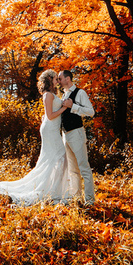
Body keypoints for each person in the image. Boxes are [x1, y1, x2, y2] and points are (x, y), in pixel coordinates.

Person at [0, 69, 77, 205]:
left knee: (54, 158)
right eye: (55, 78)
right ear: (49, 79)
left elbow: (48, 114)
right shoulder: (47, 95)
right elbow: (51, 116)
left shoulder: (52, 94)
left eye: (58, 79)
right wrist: (65, 107)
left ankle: (54, 189)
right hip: (50, 129)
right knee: (59, 157)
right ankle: (50, 190)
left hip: (52, 128)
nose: (57, 81)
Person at [58, 69, 96, 206]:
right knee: (73, 170)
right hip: (65, 135)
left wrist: (73, 106)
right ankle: (77, 198)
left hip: (77, 134)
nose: (58, 81)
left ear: (67, 79)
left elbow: (91, 112)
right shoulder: (63, 95)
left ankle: (90, 201)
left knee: (84, 168)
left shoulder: (80, 93)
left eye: (60, 78)